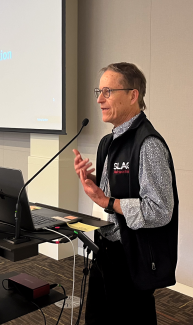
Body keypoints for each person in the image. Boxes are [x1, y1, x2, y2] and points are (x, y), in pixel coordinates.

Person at [73, 62, 178, 325]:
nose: (99, 99)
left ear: (133, 95)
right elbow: (121, 188)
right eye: (99, 91)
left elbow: (160, 210)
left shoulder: (149, 145)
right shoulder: (108, 142)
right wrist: (93, 182)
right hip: (104, 250)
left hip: (132, 258)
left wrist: (105, 200)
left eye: (108, 91)